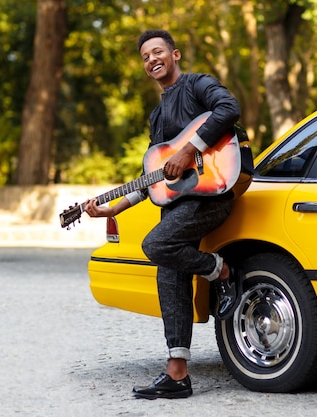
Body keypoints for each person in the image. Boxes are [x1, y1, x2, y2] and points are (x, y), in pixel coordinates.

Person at [84, 30, 242, 400]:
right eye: (145, 57)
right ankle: (177, 374)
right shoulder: (156, 117)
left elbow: (229, 109)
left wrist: (190, 151)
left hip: (213, 193)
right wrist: (110, 207)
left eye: (158, 52)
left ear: (175, 54)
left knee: (156, 243)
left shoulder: (197, 85)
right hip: (178, 205)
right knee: (168, 276)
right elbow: (154, 178)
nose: (152, 59)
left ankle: (220, 269)